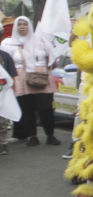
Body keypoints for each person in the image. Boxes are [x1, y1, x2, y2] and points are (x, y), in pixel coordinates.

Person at [0, 16, 59, 147]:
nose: (22, 26)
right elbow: (4, 62)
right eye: (19, 24)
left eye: (25, 24)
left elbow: (53, 59)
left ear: (29, 26)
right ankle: (32, 136)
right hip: (20, 78)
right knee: (27, 109)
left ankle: (50, 134)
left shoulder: (41, 40)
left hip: (41, 77)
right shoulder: (8, 43)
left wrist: (44, 68)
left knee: (45, 108)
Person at [0, 46, 18, 154]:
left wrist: (13, 93)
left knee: (2, 120)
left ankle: (3, 143)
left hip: (2, 92)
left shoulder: (5, 56)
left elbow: (12, 76)